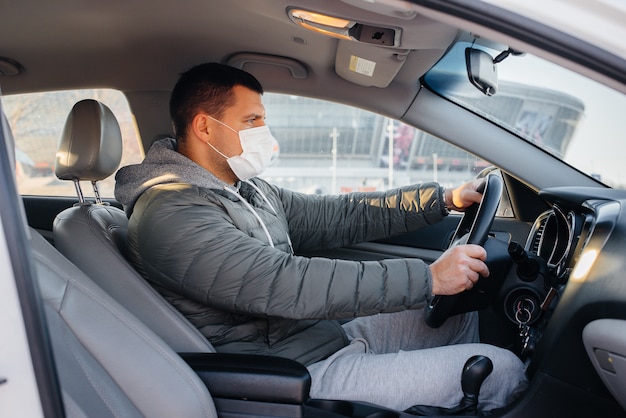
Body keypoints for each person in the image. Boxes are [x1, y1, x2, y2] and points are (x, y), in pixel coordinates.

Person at [114, 63, 527, 412]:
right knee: (500, 369)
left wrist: (440, 200)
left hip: (322, 337)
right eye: (251, 120)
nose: (264, 131)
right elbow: (282, 282)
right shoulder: (171, 213)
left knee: (459, 313)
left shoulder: (245, 190)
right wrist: (428, 279)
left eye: (263, 118)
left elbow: (339, 215)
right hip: (294, 373)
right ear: (205, 126)